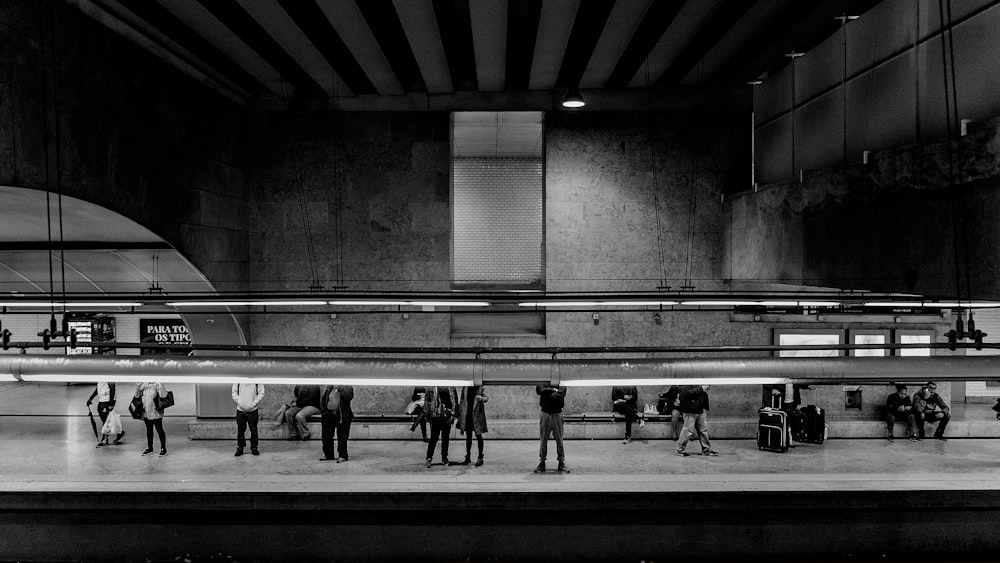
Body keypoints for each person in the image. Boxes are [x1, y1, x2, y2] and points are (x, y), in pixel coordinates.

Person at [534, 384, 569, 473]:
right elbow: (539, 390)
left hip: (557, 413)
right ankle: (542, 462)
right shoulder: (542, 378)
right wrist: (553, 389)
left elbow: (561, 393)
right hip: (545, 413)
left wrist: (547, 392)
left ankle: (561, 462)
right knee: (543, 440)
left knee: (559, 440)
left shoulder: (561, 380)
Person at [676, 384, 717, 457]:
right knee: (688, 431)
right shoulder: (684, 382)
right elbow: (687, 394)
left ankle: (706, 449)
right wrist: (701, 388)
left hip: (700, 409)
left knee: (703, 430)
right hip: (690, 410)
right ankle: (680, 449)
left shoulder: (698, 382)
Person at [424, 386, 458, 468]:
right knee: (433, 438)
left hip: (448, 415)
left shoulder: (452, 387)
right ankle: (429, 458)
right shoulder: (431, 387)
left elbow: (455, 400)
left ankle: (444, 457)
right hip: (436, 415)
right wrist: (427, 413)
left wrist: (455, 414)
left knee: (445, 438)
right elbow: (427, 400)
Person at [319, 385, 354, 462]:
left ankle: (343, 455)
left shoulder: (348, 387)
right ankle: (328, 455)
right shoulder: (329, 387)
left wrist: (341, 389)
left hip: (342, 415)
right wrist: (324, 411)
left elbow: (349, 397)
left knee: (342, 437)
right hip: (328, 414)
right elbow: (324, 399)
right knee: (326, 436)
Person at [456, 385, 488, 466]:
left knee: (478, 435)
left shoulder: (480, 388)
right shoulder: (465, 387)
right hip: (468, 414)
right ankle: (468, 456)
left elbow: (486, 398)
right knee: (468, 436)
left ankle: (480, 457)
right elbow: (462, 400)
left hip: (476, 415)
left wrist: (481, 398)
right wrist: (460, 414)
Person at [134, 382, 168, 456]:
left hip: (156, 411)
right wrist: (138, 386)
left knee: (159, 429)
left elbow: (163, 395)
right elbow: (137, 396)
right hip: (146, 410)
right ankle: (150, 448)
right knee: (149, 429)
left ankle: (163, 448)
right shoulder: (144, 383)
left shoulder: (157, 383)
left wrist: (160, 384)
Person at [231, 382, 265, 456]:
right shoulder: (238, 380)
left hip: (253, 410)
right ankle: (240, 447)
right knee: (240, 430)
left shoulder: (257, 380)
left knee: (254, 430)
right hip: (240, 410)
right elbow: (234, 392)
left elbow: (261, 393)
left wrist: (254, 403)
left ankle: (254, 447)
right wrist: (240, 403)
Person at [87, 381, 124, 446]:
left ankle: (105, 438)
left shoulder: (108, 374)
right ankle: (119, 431)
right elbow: (98, 387)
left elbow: (112, 389)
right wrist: (91, 398)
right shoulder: (100, 375)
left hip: (108, 399)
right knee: (105, 417)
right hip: (102, 399)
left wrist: (111, 403)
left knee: (106, 419)